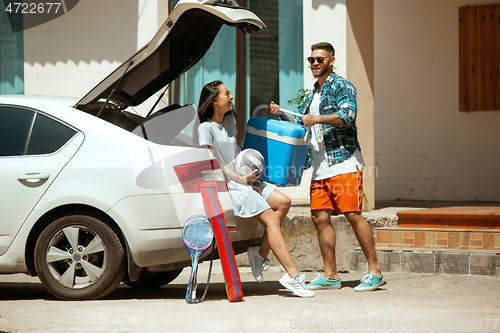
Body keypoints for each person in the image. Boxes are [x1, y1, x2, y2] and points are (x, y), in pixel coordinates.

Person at [269, 42, 385, 292]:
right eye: (311, 59)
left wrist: (318, 118)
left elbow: (348, 116)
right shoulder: (312, 94)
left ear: (331, 61)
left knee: (353, 214)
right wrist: (282, 115)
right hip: (321, 166)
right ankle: (331, 275)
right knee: (320, 217)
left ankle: (375, 271)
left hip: (343, 161)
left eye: (319, 59)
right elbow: (303, 124)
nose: (314, 64)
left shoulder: (342, 86)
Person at [196, 80, 313, 297]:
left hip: (246, 180)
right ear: (214, 101)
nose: (231, 97)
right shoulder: (205, 128)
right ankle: (292, 275)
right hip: (231, 185)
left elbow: (238, 152)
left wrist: (250, 175)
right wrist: (241, 179)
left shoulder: (230, 122)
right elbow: (211, 166)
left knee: (284, 203)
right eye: (226, 94)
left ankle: (259, 254)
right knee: (271, 219)